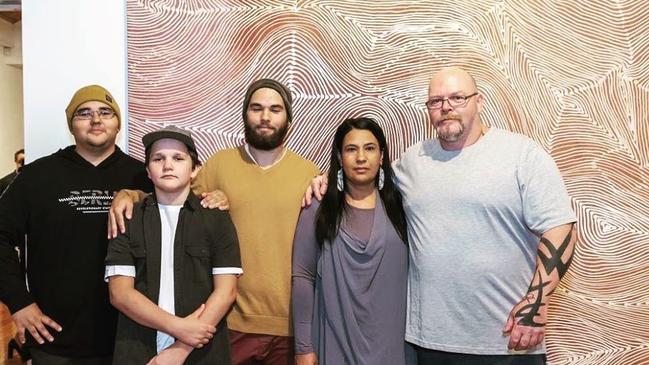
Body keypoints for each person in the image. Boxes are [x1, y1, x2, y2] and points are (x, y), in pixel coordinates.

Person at [305, 67, 577, 365]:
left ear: (479, 101)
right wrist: (327, 180)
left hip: (506, 342)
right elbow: (368, 176)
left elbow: (560, 227)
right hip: (429, 345)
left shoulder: (522, 155)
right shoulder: (413, 161)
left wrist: (536, 303)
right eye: (436, 101)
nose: (446, 107)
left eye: (457, 98)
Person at [108, 78, 319, 364]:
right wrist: (127, 194)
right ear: (245, 115)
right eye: (256, 108)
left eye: (275, 109)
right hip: (229, 323)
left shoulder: (309, 173)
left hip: (289, 325)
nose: (265, 116)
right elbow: (171, 191)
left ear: (289, 121)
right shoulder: (219, 165)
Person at [0, 85, 152, 364]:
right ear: (71, 125)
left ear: (118, 123)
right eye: (84, 113)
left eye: (105, 112)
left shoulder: (143, 177)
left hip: (130, 336)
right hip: (54, 338)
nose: (96, 120)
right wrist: (18, 301)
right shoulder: (37, 176)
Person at [105, 125, 241, 364]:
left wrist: (180, 349)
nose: (168, 165)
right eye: (158, 159)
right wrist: (180, 328)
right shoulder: (127, 217)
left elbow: (226, 291)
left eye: (178, 158)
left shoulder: (217, 218)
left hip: (201, 352)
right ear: (148, 170)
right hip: (138, 350)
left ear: (195, 169)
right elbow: (120, 293)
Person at [292, 117, 409, 365]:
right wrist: (304, 348)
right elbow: (303, 277)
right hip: (334, 341)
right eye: (351, 149)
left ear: (381, 155)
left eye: (369, 148)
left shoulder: (402, 204)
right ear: (339, 156)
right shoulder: (318, 206)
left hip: (394, 344)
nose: (361, 158)